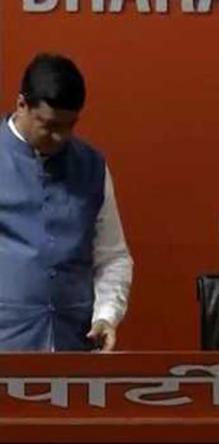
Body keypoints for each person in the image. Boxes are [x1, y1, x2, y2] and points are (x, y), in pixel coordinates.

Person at [0, 53, 133, 351]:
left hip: (73, 344)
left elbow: (113, 257)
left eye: (69, 125)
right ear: (21, 105)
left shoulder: (92, 166)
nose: (60, 137)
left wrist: (106, 315)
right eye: (48, 125)